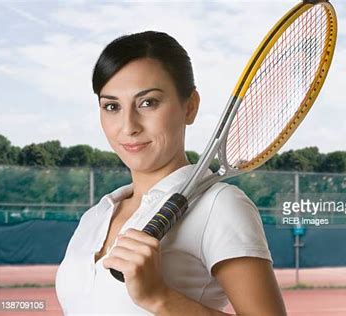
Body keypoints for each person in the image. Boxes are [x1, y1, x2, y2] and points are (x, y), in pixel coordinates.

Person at [55, 31, 286, 315]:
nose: (128, 126)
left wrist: (159, 297)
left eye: (148, 102)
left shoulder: (221, 206)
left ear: (190, 107)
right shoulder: (95, 217)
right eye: (112, 106)